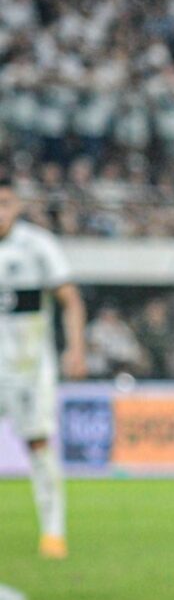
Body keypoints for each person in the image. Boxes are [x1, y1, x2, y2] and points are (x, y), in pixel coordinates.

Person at [0, 174, 87, 559]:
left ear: (18, 206)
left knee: (38, 443)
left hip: (29, 369)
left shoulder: (37, 246)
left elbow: (70, 299)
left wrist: (76, 350)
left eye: (4, 203)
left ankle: (53, 533)